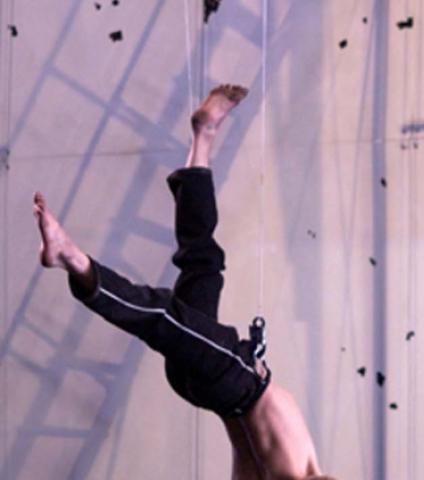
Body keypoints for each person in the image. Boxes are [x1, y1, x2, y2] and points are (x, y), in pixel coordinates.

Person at [34, 85, 334, 480]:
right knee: (202, 264)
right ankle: (202, 138)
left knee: (161, 314)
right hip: (210, 389)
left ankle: (73, 260)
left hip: (234, 378)